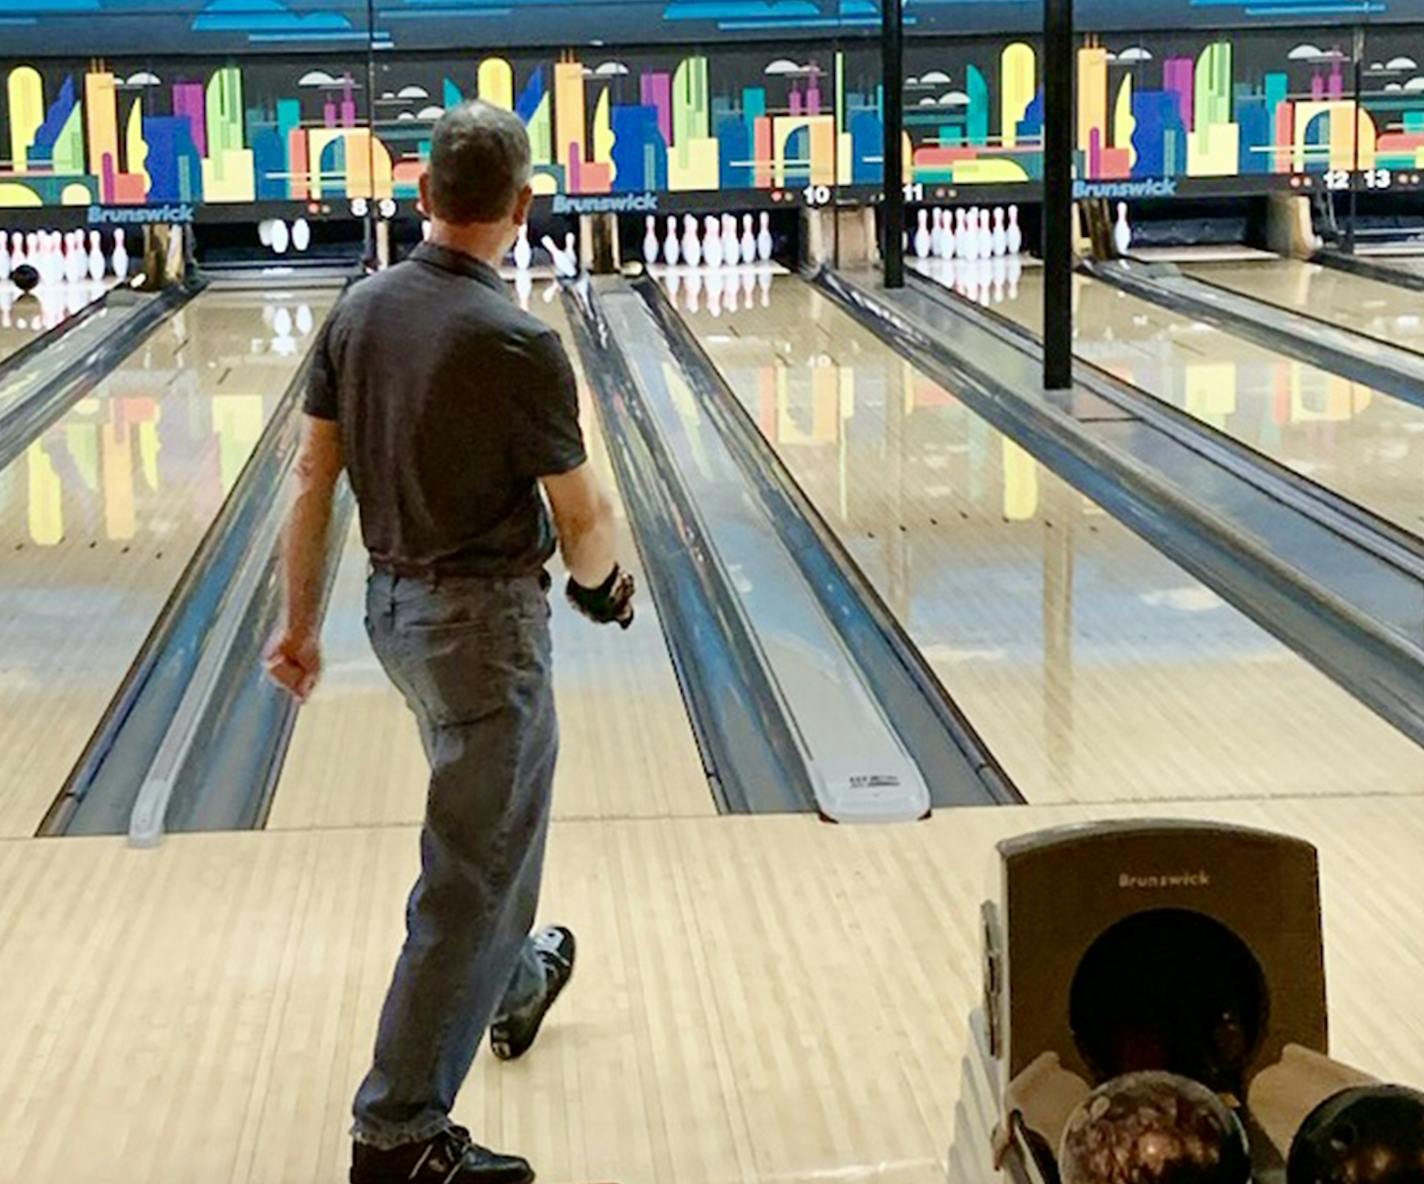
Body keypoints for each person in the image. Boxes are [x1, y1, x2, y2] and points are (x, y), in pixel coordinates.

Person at [267, 100, 636, 1184]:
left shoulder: (359, 311)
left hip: (396, 616)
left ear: (422, 198)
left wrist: (295, 628)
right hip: (484, 628)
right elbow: (581, 517)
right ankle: (400, 1135)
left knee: (492, 829)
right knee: (466, 874)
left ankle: (509, 973)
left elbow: (311, 479)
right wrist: (606, 588)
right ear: (522, 208)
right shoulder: (518, 341)